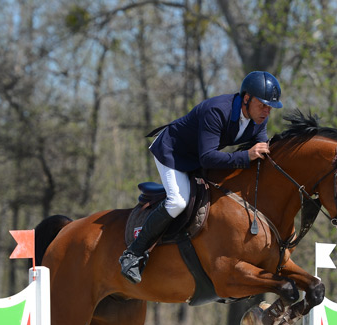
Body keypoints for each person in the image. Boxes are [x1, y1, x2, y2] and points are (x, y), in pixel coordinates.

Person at [119, 71, 283, 284]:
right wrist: (245, 155)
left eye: (270, 107)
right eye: (263, 105)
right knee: (178, 201)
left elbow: (261, 152)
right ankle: (133, 253)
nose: (267, 111)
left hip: (198, 157)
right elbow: (208, 158)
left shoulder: (258, 119)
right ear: (246, 98)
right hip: (173, 153)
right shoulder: (216, 111)